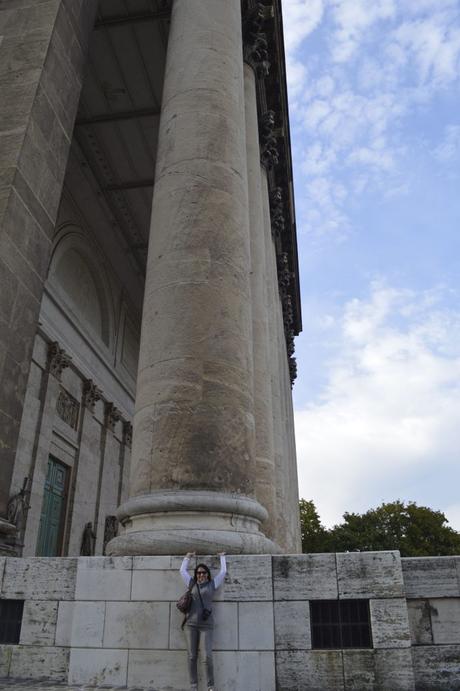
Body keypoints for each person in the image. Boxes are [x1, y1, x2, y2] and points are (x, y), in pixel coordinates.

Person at [180, 551, 227, 691]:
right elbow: (182, 570)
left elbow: (223, 572)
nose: (201, 574)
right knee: (192, 656)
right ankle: (193, 686)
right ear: (196, 574)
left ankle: (210, 686)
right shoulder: (191, 584)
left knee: (207, 657)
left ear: (207, 574)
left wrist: (222, 557)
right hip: (190, 625)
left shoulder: (212, 585)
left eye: (204, 572)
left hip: (206, 626)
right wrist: (187, 557)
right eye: (199, 573)